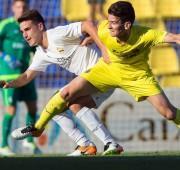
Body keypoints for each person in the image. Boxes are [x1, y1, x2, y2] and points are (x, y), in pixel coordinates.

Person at [9, 1, 180, 148]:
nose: (109, 25)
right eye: (109, 21)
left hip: (136, 76)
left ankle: (95, 143)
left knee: (169, 113)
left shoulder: (146, 34)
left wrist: (101, 47)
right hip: (105, 72)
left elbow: (174, 37)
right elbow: (93, 27)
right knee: (66, 99)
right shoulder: (105, 29)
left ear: (127, 25)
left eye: (113, 22)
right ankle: (76, 142)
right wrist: (92, 39)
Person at [1, 9, 123, 156]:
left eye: (27, 29)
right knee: (61, 108)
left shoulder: (57, 34)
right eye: (22, 32)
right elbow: (27, 76)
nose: (25, 35)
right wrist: (9, 83)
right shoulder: (41, 53)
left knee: (59, 99)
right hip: (91, 81)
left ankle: (107, 143)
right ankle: (87, 145)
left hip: (102, 72)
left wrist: (103, 48)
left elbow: (88, 24)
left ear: (40, 27)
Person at [0, 0, 38, 156]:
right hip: (8, 74)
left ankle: (29, 142)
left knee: (33, 107)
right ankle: (3, 145)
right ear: (12, 8)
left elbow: (36, 48)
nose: (21, 9)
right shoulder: (5, 25)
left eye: (24, 7)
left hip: (25, 74)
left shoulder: (29, 27)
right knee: (11, 110)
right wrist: (5, 57)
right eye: (18, 7)